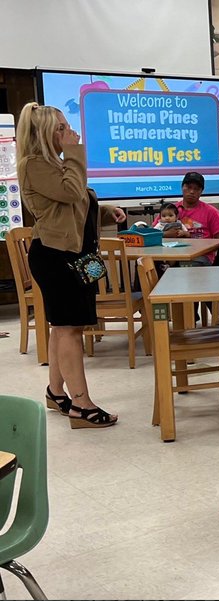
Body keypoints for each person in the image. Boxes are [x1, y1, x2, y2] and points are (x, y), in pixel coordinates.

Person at [15, 102, 128, 428]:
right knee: (68, 328)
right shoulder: (34, 164)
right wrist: (75, 152)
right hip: (56, 256)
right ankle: (81, 405)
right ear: (44, 134)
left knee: (64, 326)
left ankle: (56, 392)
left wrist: (107, 212)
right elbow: (70, 192)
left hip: (72, 254)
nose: (70, 133)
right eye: (61, 128)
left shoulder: (58, 165)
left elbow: (73, 206)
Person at [176, 170, 219, 262]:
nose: (192, 191)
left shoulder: (211, 212)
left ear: (201, 191)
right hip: (174, 255)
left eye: (196, 189)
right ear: (182, 187)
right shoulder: (171, 210)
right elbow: (156, 232)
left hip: (202, 257)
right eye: (188, 187)